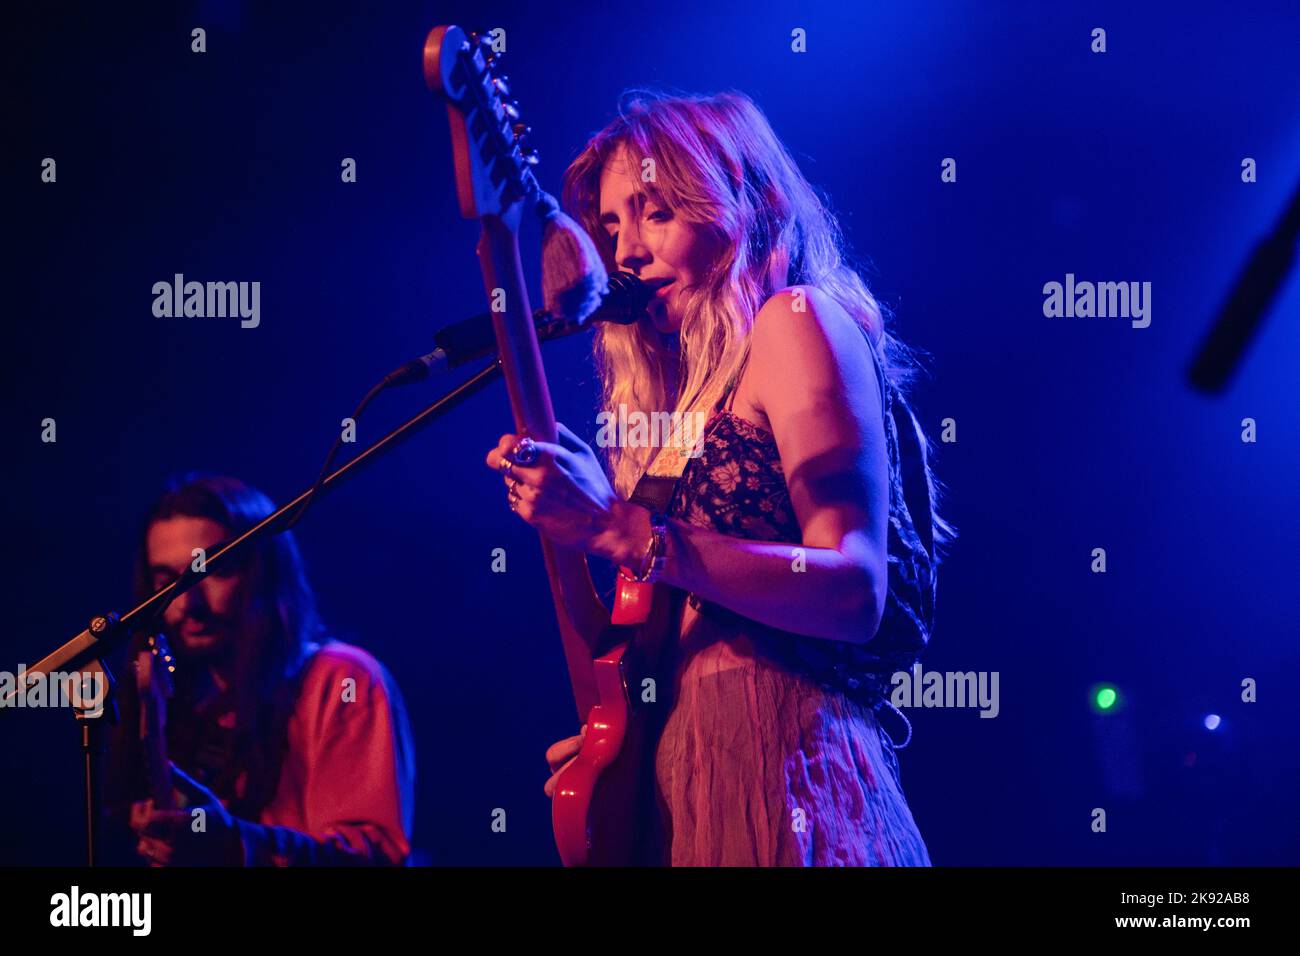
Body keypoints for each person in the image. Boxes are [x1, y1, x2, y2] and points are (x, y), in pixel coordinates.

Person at [486, 91, 956, 866]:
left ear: (745, 201)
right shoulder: (674, 411)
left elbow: (855, 589)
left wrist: (617, 527)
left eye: (655, 211)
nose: (625, 252)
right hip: (686, 790)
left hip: (790, 774)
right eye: (609, 226)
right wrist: (622, 743)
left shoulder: (794, 320)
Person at [105, 473, 416, 866]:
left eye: (211, 571)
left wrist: (234, 845)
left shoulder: (342, 679)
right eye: (167, 581)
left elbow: (374, 858)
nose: (188, 603)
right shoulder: (174, 691)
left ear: (265, 571)